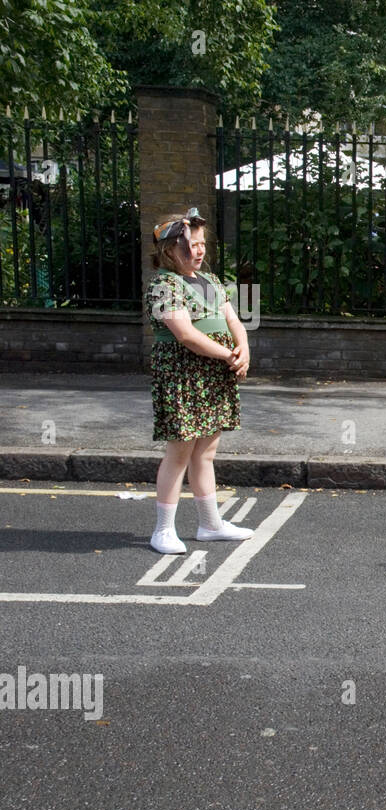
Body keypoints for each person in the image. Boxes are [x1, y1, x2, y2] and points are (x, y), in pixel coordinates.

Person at [144, 207, 254, 554]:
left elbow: (234, 321)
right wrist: (228, 356)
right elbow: (185, 334)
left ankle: (210, 524)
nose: (200, 250)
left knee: (206, 451)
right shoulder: (163, 284)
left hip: (213, 374)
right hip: (182, 374)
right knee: (180, 451)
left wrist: (244, 348)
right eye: (191, 244)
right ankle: (163, 530)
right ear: (169, 249)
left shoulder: (211, 281)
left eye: (202, 243)